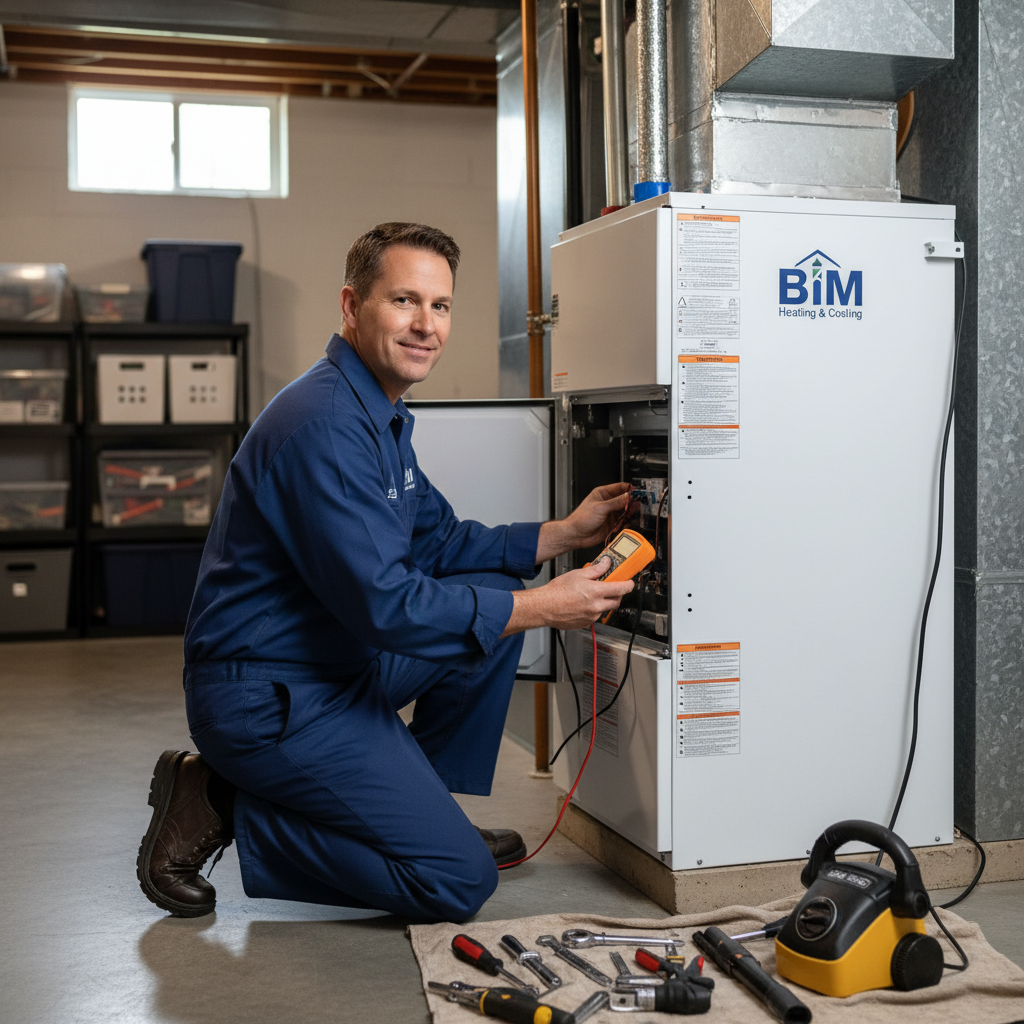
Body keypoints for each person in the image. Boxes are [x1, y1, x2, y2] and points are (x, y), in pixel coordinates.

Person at [137, 222, 634, 924]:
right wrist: (548, 607)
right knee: (456, 882)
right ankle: (220, 803)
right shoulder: (326, 426)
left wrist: (562, 535)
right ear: (351, 306)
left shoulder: (380, 416)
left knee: (493, 599)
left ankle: (420, 817)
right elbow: (388, 606)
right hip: (269, 697)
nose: (426, 325)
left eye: (441, 306)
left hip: (333, 663)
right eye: (405, 301)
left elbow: (442, 539)